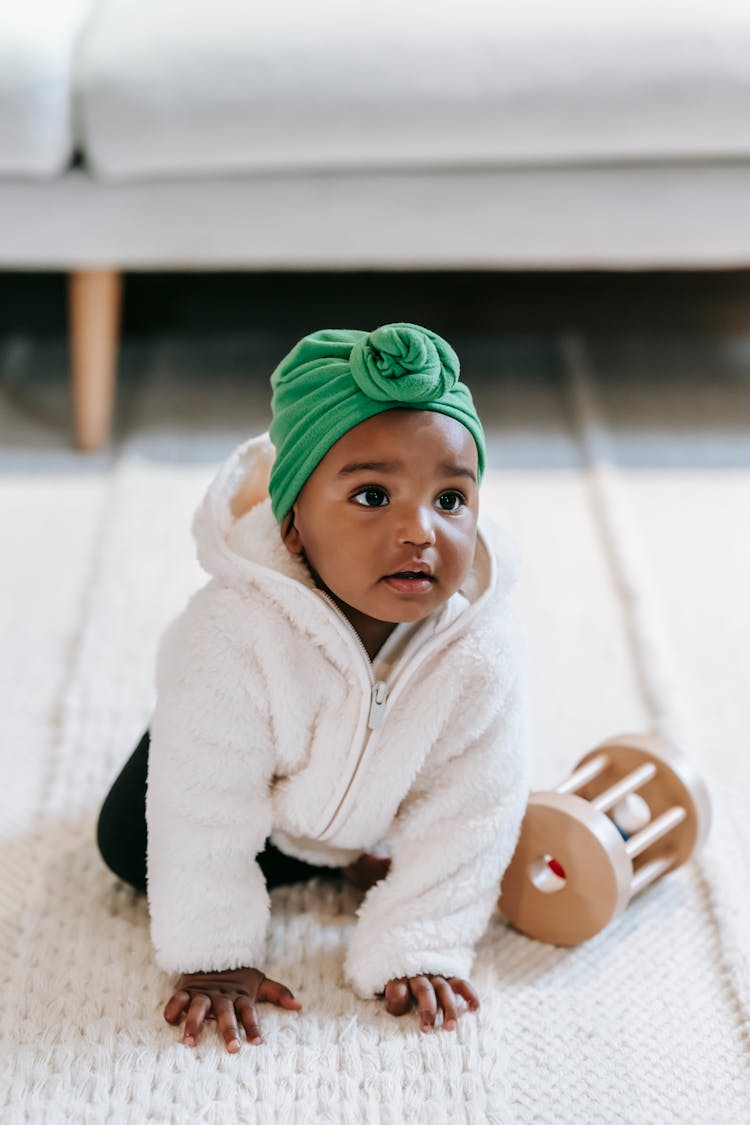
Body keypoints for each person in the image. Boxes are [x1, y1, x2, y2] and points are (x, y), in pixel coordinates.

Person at [96, 321, 531, 1053]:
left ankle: (347, 846)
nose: (420, 530)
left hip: (367, 786)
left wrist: (420, 939)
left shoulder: (478, 651)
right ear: (293, 525)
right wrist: (217, 956)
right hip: (234, 759)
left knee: (432, 815)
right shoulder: (234, 632)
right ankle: (312, 846)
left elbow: (474, 805)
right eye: (372, 495)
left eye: (450, 499)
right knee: (129, 845)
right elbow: (201, 802)